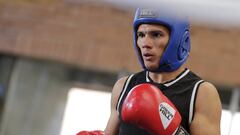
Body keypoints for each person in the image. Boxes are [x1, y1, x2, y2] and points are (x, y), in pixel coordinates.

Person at [104, 8, 222, 135]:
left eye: (156, 35)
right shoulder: (123, 87)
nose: (146, 43)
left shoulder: (202, 94)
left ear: (178, 40)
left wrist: (175, 132)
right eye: (141, 35)